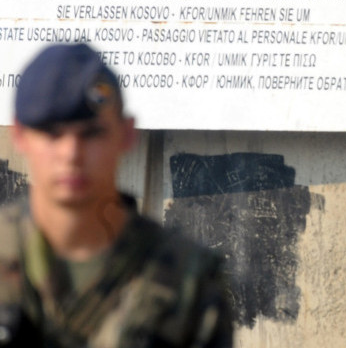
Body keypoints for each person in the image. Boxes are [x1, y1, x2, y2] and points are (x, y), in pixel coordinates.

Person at [0, 42, 232, 346]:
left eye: (91, 134)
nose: (71, 154)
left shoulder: (188, 281)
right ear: (19, 135)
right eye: (52, 134)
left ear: (127, 133)